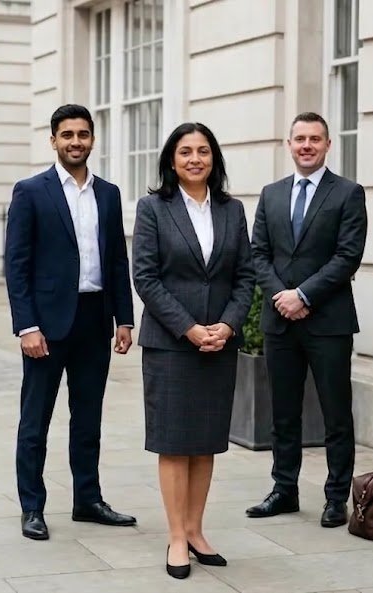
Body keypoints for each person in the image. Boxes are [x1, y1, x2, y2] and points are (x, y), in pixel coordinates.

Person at [4, 104, 137, 541]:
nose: (75, 142)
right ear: (53, 140)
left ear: (93, 139)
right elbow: (17, 265)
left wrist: (124, 318)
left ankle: (88, 500)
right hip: (46, 324)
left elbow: (118, 259)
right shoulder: (31, 191)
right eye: (67, 135)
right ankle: (32, 507)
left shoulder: (110, 193)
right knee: (35, 419)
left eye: (82, 134)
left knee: (88, 419)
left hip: (94, 319)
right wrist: (27, 327)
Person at [132, 122, 254, 579]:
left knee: (205, 444)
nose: (195, 159)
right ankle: (177, 537)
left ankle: (197, 530)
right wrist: (189, 328)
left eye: (203, 151)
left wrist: (226, 325)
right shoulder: (153, 209)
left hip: (218, 344)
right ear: (171, 160)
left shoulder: (232, 210)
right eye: (186, 151)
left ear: (214, 159)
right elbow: (145, 278)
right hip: (170, 345)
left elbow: (244, 276)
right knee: (174, 444)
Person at [246, 112, 367, 528]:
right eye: (300, 139)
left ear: (328, 145)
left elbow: (348, 256)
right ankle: (284, 489)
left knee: (336, 414)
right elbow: (257, 253)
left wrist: (304, 295)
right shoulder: (271, 193)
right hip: (280, 321)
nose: (307, 146)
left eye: (315, 139)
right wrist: (282, 295)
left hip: (327, 321)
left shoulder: (348, 193)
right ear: (289, 144)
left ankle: (336, 497)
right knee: (283, 413)